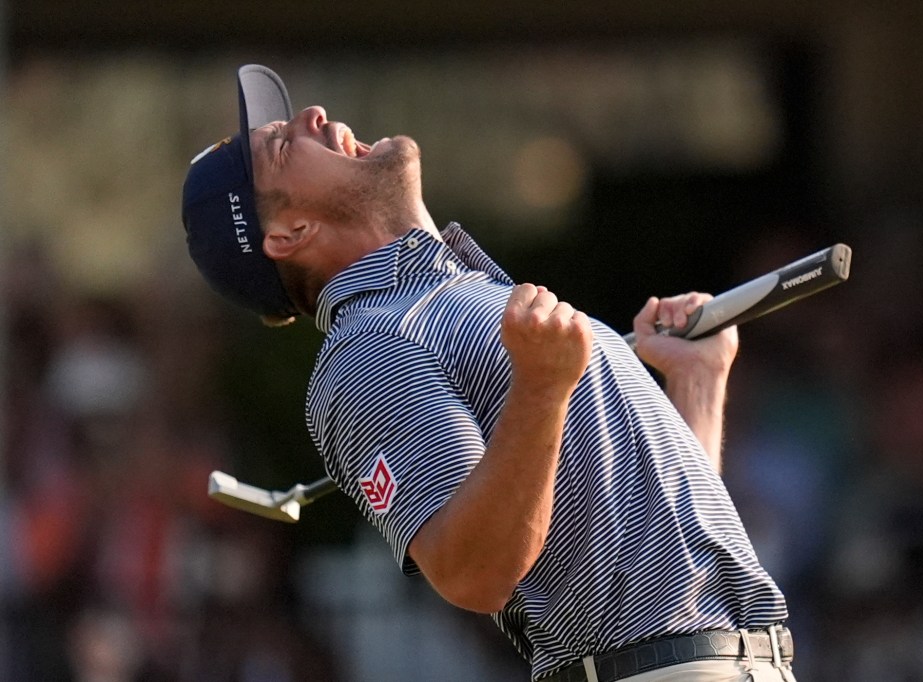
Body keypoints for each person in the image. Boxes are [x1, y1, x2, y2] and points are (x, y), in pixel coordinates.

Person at [181, 64, 797, 682]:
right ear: (291, 233)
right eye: (285, 146)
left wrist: (697, 382)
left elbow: (660, 546)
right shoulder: (368, 348)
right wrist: (540, 388)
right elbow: (470, 574)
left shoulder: (462, 297)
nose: (313, 116)